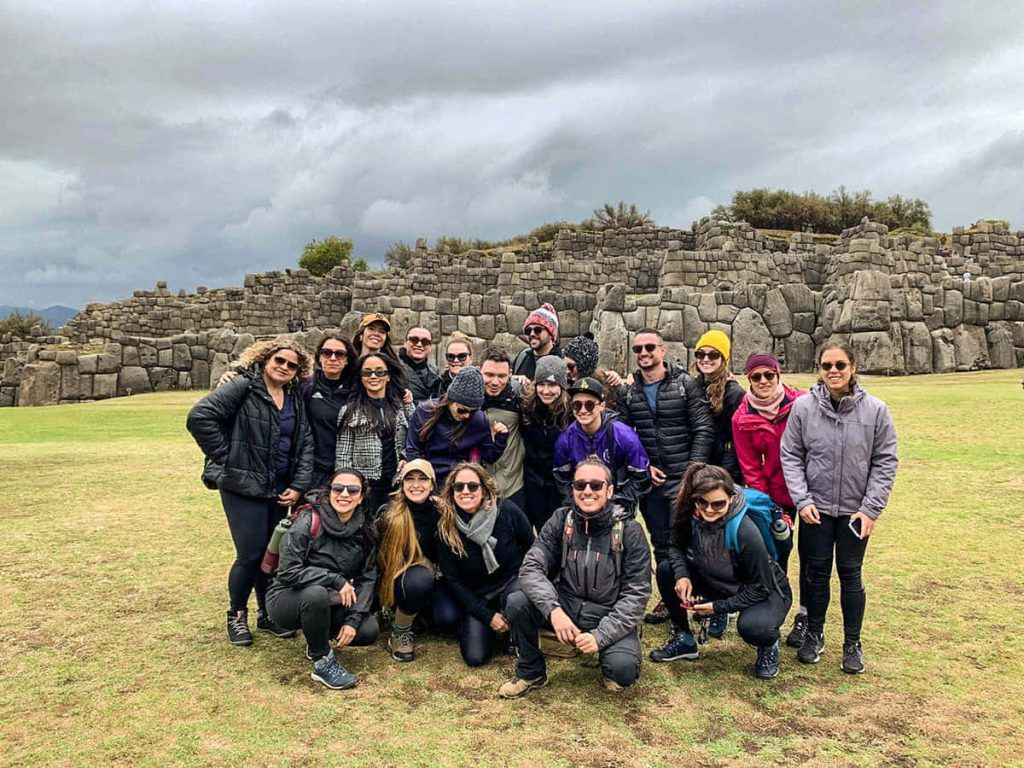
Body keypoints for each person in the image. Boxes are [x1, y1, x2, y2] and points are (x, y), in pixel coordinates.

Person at [186, 338, 315, 646]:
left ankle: (267, 613)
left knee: (272, 553)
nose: (284, 367)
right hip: (242, 486)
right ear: (265, 359)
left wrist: (298, 485)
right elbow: (199, 417)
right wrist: (229, 457)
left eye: (292, 364)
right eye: (279, 360)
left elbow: (304, 442)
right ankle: (237, 614)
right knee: (251, 554)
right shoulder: (243, 385)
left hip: (277, 487)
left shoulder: (293, 396)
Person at [781, 340, 898, 674]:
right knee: (815, 574)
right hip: (816, 511)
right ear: (819, 369)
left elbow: (885, 461)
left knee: (850, 574)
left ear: (853, 367)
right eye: (827, 366)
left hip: (854, 512)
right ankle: (814, 634)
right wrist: (803, 500)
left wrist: (871, 509)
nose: (833, 371)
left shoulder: (875, 410)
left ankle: (852, 643)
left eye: (840, 365)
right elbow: (791, 455)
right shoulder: (803, 408)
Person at [499, 457, 651, 697]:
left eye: (596, 485)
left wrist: (600, 636)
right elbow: (531, 567)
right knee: (517, 602)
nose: (587, 491)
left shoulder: (630, 531)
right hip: (565, 606)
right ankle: (531, 671)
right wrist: (553, 610)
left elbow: (637, 595)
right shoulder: (561, 520)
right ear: (573, 489)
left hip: (607, 612)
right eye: (580, 485)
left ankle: (604, 651)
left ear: (609, 491)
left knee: (623, 671)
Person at [648, 463, 793, 680]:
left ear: (731, 498)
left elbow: (760, 588)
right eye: (702, 502)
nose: (709, 510)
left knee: (755, 628)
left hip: (763, 589)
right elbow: (675, 547)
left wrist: (718, 607)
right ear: (694, 498)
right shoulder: (688, 513)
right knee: (666, 570)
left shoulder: (745, 531)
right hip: (718, 579)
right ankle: (684, 638)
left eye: (718, 504)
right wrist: (682, 576)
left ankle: (768, 644)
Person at [619, 327, 714, 624]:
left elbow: (703, 428)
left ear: (662, 350)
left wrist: (692, 472)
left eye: (649, 347)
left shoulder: (685, 385)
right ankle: (670, 599)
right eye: (638, 349)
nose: (644, 353)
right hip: (652, 482)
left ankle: (700, 597)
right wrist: (644, 466)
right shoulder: (629, 393)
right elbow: (624, 436)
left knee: (690, 541)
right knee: (661, 543)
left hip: (684, 478)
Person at [265, 469, 379, 690]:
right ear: (329, 492)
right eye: (338, 488)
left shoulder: (365, 528)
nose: (344, 494)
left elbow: (368, 577)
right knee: (315, 594)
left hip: (330, 599)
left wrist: (353, 620)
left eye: (352, 490)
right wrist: (335, 580)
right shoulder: (307, 520)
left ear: (361, 497)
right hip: (287, 596)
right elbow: (288, 572)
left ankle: (314, 638)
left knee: (368, 630)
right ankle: (322, 661)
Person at [733, 352, 809, 646]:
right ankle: (774, 613)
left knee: (812, 559)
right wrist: (772, 509)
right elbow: (751, 468)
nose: (763, 381)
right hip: (777, 495)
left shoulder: (802, 403)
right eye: (757, 376)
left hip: (812, 492)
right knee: (777, 555)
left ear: (778, 375)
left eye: (769, 375)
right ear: (749, 379)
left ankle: (806, 617)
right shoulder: (742, 418)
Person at [434, 463, 534, 667]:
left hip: (511, 585)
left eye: (472, 486)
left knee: (517, 597)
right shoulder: (446, 526)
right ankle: (488, 626)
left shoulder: (506, 510)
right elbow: (454, 581)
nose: (465, 491)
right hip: (477, 595)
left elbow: (532, 548)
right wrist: (487, 617)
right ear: (452, 491)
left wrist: (528, 581)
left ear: (484, 489)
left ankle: (515, 627)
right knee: (475, 657)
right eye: (459, 486)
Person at [376, 459, 459, 662]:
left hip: (437, 577)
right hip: (405, 579)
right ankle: (400, 631)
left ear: (432, 484)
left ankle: (420, 614)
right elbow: (380, 562)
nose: (415, 485)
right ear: (401, 483)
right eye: (409, 479)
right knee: (420, 580)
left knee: (448, 619)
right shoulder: (390, 515)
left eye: (422, 479)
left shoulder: (444, 512)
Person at [553, 377, 651, 514]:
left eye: (589, 405)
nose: (582, 410)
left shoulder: (624, 436)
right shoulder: (565, 439)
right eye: (577, 405)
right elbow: (562, 478)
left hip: (619, 504)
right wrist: (577, 502)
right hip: (582, 505)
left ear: (602, 406)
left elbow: (641, 476)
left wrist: (618, 502)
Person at [335, 353, 414, 515]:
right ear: (361, 377)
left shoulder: (401, 407)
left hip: (397, 484)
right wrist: (346, 488)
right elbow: (343, 455)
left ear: (388, 376)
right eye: (367, 372)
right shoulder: (349, 411)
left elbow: (416, 437)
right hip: (365, 486)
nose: (373, 376)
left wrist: (405, 457)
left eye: (379, 372)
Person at [406, 366, 508, 489]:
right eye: (462, 410)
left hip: (461, 485)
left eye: (473, 411)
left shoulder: (479, 419)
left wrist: (501, 438)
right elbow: (413, 451)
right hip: (429, 481)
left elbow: (489, 457)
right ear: (450, 400)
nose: (466, 415)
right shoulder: (424, 411)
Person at [520, 356, 572, 531]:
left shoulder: (571, 413)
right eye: (541, 384)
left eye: (552, 385)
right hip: (533, 481)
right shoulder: (528, 407)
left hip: (559, 484)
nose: (546, 390)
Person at [691, 330, 745, 484]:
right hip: (698, 461)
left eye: (713, 355)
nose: (706, 359)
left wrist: (724, 476)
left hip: (725, 468)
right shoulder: (693, 386)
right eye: (701, 354)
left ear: (723, 359)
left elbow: (737, 440)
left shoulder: (734, 393)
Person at [304, 332, 357, 488]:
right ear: (319, 357)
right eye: (327, 353)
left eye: (339, 354)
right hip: (314, 470)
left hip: (349, 469)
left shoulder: (357, 389)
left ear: (347, 360)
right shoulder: (306, 386)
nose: (333, 358)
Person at [480, 346, 526, 510]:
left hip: (512, 486)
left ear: (510, 374)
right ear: (479, 371)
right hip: (477, 486)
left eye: (501, 376)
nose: (495, 382)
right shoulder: (467, 399)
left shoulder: (520, 398)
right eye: (489, 375)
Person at [513, 303, 561, 380]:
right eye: (528, 330)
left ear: (551, 334)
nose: (532, 334)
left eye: (537, 330)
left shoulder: (562, 361)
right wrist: (514, 380)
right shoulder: (522, 357)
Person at [399, 326, 439, 404]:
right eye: (414, 340)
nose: (419, 344)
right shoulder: (393, 368)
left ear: (430, 347)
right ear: (405, 343)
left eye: (425, 341)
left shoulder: (436, 372)